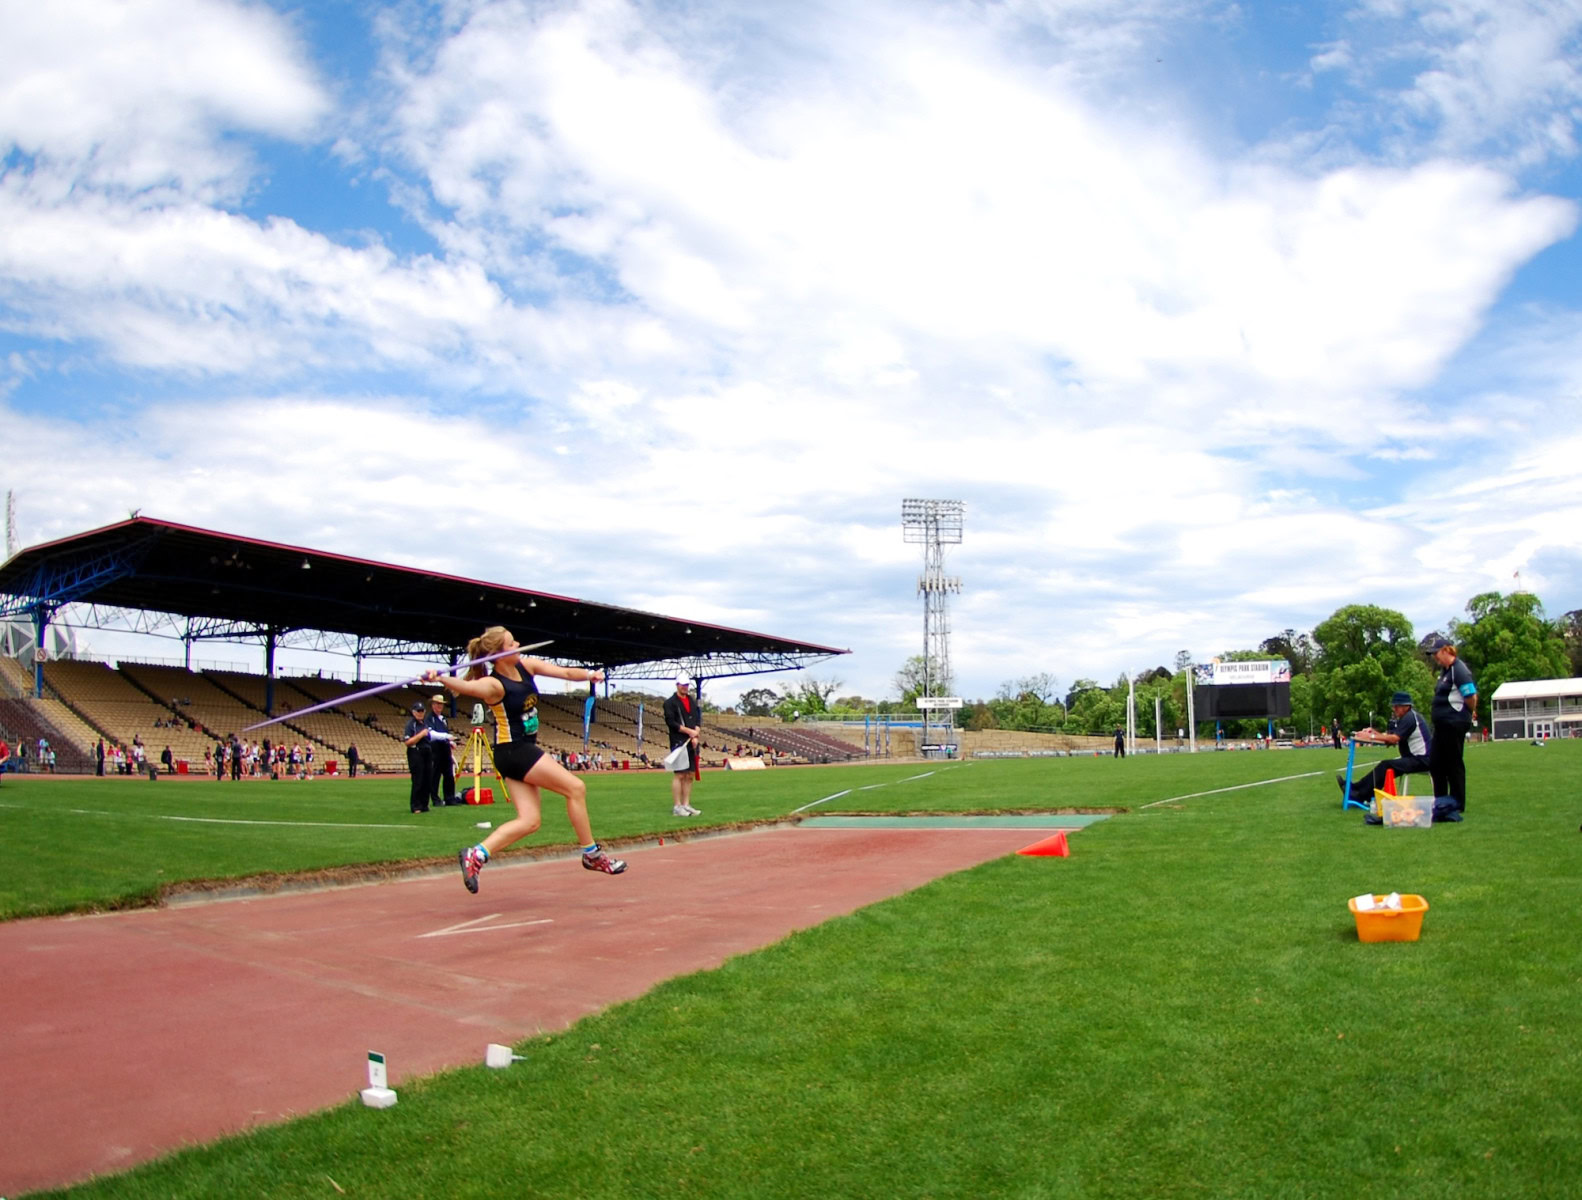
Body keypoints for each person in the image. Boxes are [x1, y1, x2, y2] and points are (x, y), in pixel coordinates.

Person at [424, 626, 625, 890]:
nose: (518, 643)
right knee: (575, 788)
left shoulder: (526, 666)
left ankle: (477, 854)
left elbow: (565, 673)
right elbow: (467, 687)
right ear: (498, 654)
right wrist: (440, 678)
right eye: (511, 643)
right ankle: (592, 854)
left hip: (517, 752)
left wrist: (590, 675)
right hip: (515, 751)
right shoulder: (494, 684)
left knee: (530, 821)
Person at [1341, 692, 1432, 809]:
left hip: (1422, 759)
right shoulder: (1408, 717)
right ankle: (1356, 789)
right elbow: (1390, 737)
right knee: (1386, 766)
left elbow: (1394, 739)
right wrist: (1373, 732)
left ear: (1406, 706)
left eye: (1397, 706)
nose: (1394, 709)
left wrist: (1371, 737)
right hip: (1416, 758)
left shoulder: (1409, 718)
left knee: (1386, 765)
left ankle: (1359, 793)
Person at [1428, 636, 1477, 816]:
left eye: (1436, 653)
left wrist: (1467, 713)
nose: (1435, 657)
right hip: (1442, 725)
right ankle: (1441, 801)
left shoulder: (1459, 670)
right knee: (1435, 763)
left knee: (1453, 763)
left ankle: (1457, 801)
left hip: (1453, 723)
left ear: (1446, 650)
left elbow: (1471, 696)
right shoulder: (1444, 671)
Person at [664, 672, 702, 817]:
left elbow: (697, 719)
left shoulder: (691, 701)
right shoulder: (670, 703)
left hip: (692, 741)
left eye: (686, 685)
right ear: (677, 685)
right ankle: (677, 806)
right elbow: (671, 722)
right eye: (682, 685)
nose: (685, 687)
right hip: (679, 741)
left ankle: (686, 804)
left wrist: (696, 732)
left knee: (690, 774)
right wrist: (689, 732)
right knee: (679, 774)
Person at [425, 693, 459, 806]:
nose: (439, 706)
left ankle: (450, 798)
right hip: (435, 749)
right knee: (435, 775)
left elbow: (445, 734)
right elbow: (432, 734)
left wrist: (451, 742)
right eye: (437, 704)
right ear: (433, 705)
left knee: (449, 775)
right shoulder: (429, 719)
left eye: (441, 704)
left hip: (445, 749)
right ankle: (435, 799)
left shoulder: (443, 719)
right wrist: (447, 737)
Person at [403, 701, 432, 813]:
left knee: (427, 779)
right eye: (418, 711)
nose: (420, 713)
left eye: (422, 711)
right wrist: (421, 735)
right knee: (418, 780)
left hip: (427, 752)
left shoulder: (425, 724)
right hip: (416, 752)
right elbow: (408, 741)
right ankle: (416, 805)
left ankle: (424, 804)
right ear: (413, 712)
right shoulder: (411, 725)